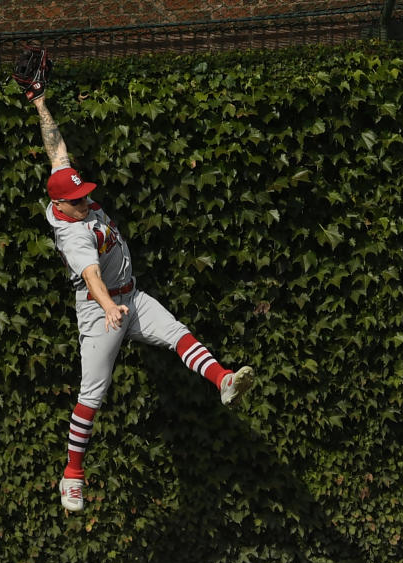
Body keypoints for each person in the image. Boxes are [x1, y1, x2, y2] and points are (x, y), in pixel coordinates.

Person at [29, 92, 255, 512]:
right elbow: (91, 275)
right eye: (77, 200)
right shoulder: (72, 234)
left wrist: (40, 104)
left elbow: (56, 150)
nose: (85, 202)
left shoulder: (70, 195)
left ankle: (223, 380)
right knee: (92, 395)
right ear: (59, 205)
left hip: (131, 295)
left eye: (84, 196)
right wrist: (109, 308)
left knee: (177, 333)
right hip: (101, 313)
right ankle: (72, 475)